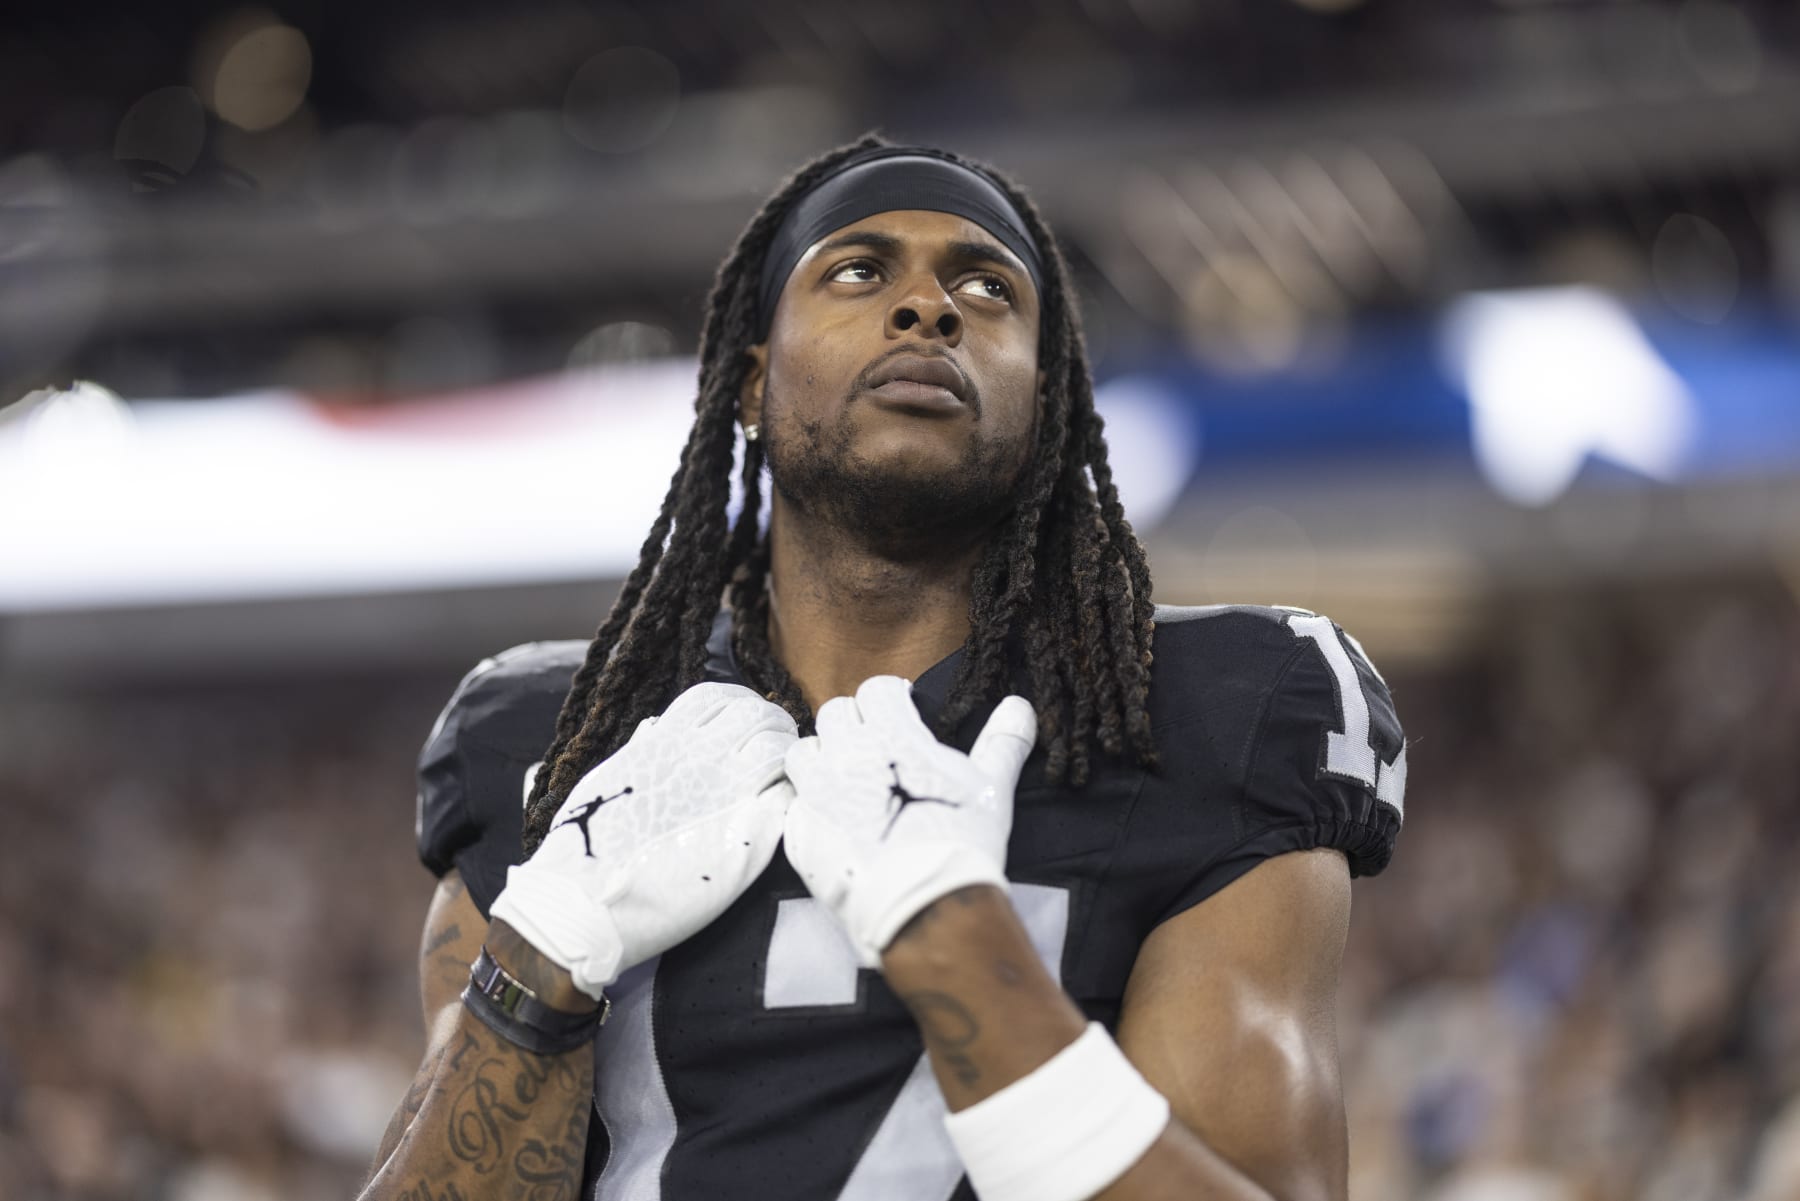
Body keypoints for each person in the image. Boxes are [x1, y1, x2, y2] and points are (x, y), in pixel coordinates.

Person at [360, 136, 1408, 1201]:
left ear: (1046, 406)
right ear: (751, 381)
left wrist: (959, 947)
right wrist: (541, 956)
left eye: (986, 288)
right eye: (859, 271)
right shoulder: (552, 739)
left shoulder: (1206, 707)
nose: (928, 308)